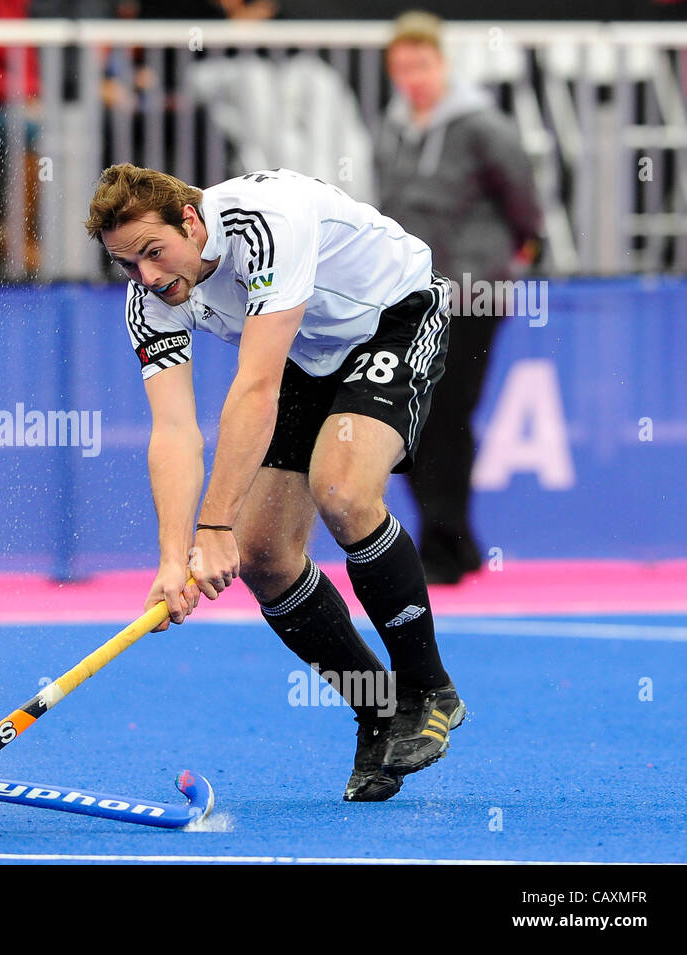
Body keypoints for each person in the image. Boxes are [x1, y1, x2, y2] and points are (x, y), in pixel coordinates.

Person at [86, 163, 464, 801]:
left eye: (155, 253)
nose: (147, 276)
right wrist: (173, 558)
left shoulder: (262, 225)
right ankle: (377, 709)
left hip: (393, 316)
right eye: (129, 265)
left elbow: (255, 388)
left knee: (341, 489)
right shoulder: (148, 301)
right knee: (262, 555)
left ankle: (428, 690)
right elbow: (174, 433)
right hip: (302, 349)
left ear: (192, 220)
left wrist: (213, 526)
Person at [376, 10, 543, 584]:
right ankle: (456, 543)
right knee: (416, 417)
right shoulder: (394, 128)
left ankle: (443, 545)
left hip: (473, 293)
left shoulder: (481, 126)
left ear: (442, 64)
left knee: (448, 413)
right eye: (401, 66)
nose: (412, 76)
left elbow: (523, 193)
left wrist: (523, 250)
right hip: (414, 294)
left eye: (421, 64)